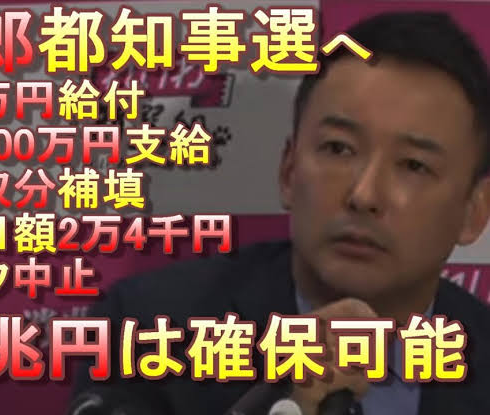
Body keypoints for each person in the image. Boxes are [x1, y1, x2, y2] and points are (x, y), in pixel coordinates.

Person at [69, 11, 490, 415]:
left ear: (474, 212)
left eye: (414, 166)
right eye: (338, 148)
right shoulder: (149, 329)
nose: (363, 195)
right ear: (288, 172)